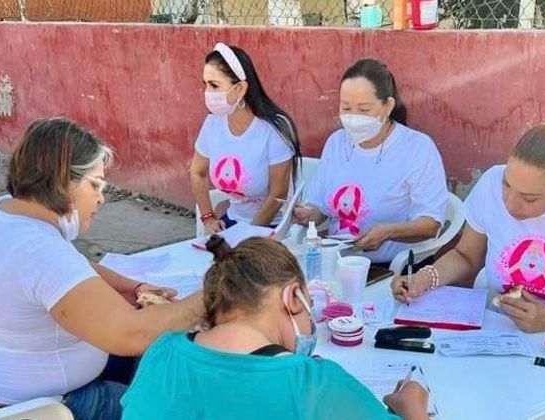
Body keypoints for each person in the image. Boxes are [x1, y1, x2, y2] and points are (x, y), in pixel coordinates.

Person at [0, 117, 204, 420]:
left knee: (153, 364)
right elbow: (132, 336)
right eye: (95, 185)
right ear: (64, 182)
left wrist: (132, 287)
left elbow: (71, 264)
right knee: (181, 405)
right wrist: (213, 295)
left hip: (2, 386)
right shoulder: (40, 252)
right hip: (44, 409)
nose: (101, 198)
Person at [393, 115, 545, 359]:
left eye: (529, 198)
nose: (510, 204)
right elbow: (465, 256)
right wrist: (425, 279)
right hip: (498, 332)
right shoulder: (491, 182)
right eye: (507, 185)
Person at [122, 236, 429, 420]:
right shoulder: (312, 384)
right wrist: (413, 410)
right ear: (292, 298)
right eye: (309, 305)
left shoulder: (161, 351)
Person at [293, 59, 448, 265]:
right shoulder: (336, 143)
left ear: (387, 106)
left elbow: (430, 224)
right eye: (346, 108)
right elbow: (321, 208)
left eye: (364, 110)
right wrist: (305, 215)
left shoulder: (417, 149)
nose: (354, 117)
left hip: (390, 267)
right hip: (337, 261)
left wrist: (388, 232)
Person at [189, 42, 301, 234]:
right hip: (233, 223)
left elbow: (278, 194)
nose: (208, 93)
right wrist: (208, 217)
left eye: (214, 85)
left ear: (240, 89)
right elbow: (197, 172)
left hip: (274, 228)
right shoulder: (212, 123)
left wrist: (246, 236)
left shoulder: (275, 128)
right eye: (205, 85)